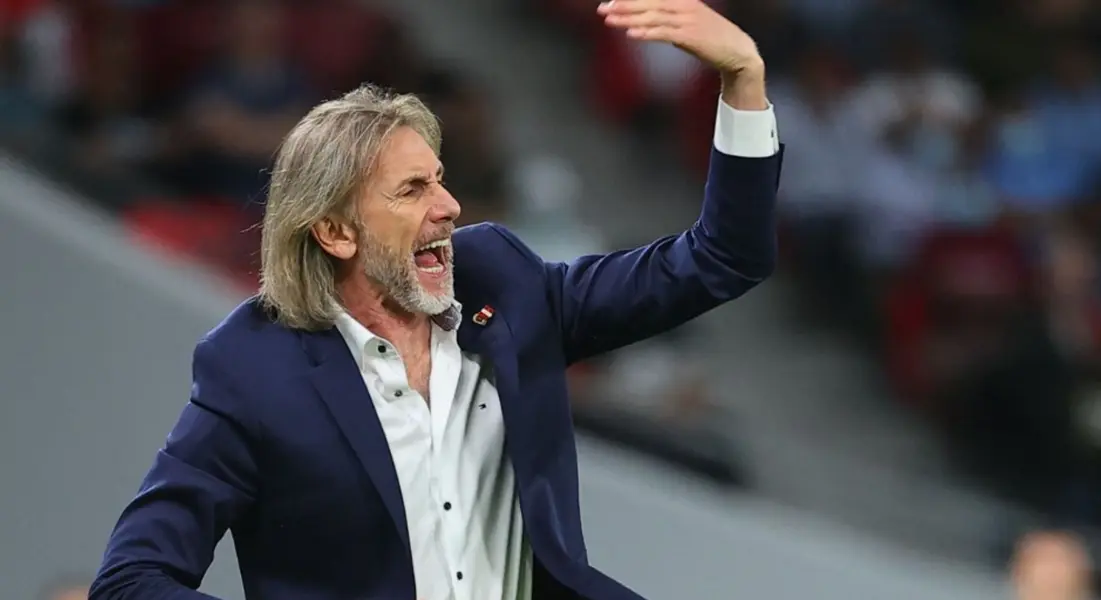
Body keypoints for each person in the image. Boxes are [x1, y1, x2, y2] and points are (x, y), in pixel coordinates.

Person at [89, 1, 781, 599]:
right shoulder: (254, 371)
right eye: (412, 191)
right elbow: (131, 579)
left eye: (440, 180)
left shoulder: (505, 286)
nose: (450, 207)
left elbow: (722, 259)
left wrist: (743, 77)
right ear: (333, 230)